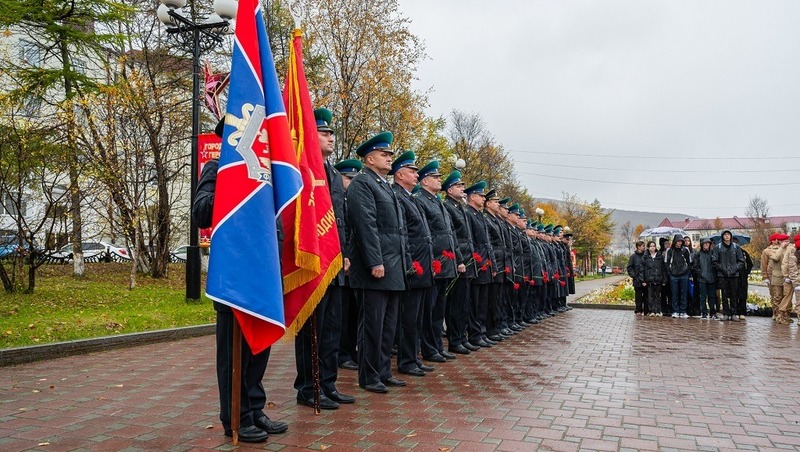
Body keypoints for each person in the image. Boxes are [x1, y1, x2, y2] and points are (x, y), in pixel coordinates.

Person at [192, 119, 287, 443]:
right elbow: (201, 213)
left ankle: (255, 409)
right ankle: (236, 416)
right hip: (234, 277)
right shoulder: (217, 169)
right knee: (234, 353)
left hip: (263, 274)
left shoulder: (264, 174)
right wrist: (231, 187)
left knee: (259, 347)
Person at [294, 108, 354, 410]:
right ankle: (308, 387)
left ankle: (327, 384)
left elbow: (340, 219)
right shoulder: (303, 167)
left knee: (331, 328)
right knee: (311, 330)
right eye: (324, 132)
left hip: (334, 260)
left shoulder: (331, 172)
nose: (330, 137)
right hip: (314, 260)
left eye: (331, 133)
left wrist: (344, 253)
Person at [346, 131, 408, 393]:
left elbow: (398, 230)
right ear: (370, 159)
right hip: (376, 267)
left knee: (388, 325)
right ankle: (369, 376)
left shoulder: (384, 186)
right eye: (384, 154)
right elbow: (366, 225)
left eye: (390, 154)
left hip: (393, 266)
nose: (389, 158)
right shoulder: (363, 183)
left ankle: (383, 371)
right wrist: (375, 261)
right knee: (372, 325)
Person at [389, 151, 436, 376]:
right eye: (412, 171)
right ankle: (406, 360)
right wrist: (410, 262)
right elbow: (404, 234)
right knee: (408, 317)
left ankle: (414, 357)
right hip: (413, 263)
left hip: (422, 263)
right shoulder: (398, 196)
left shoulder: (410, 197)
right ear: (400, 174)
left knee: (417, 316)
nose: (417, 175)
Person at [414, 161, 458, 362]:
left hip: (444, 262)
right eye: (436, 177)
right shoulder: (421, 200)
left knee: (439, 308)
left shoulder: (437, 201)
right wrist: (431, 260)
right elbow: (425, 233)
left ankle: (437, 346)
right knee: (429, 310)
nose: (440, 180)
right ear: (425, 181)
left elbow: (448, 232)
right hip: (433, 262)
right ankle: (429, 348)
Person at [441, 170, 476, 354]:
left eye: (462, 185)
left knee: (463, 303)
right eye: (458, 186)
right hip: (458, 260)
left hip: (466, 259)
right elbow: (453, 236)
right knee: (455, 304)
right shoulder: (448, 206)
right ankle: (455, 340)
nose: (462, 188)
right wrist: (459, 259)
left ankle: (461, 337)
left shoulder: (459, 207)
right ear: (449, 190)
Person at [334, 159, 362, 371]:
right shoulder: (337, 200)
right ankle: (342, 354)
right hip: (342, 264)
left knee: (353, 312)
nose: (351, 183)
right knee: (341, 314)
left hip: (355, 266)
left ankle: (351, 351)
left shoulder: (354, 201)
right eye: (347, 178)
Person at [464, 181, 496, 348]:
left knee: (483, 302)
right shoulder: (468, 214)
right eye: (481, 196)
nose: (484, 198)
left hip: (485, 263)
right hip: (476, 263)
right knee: (474, 303)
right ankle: (474, 334)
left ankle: (481, 332)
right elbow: (470, 240)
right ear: (472, 197)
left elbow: (487, 243)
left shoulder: (480, 215)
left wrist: (492, 264)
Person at [714, 230, 745, 321]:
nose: (727, 236)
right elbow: (715, 261)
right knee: (724, 294)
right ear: (722, 236)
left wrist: (734, 269)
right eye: (725, 235)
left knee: (734, 294)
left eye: (728, 234)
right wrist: (723, 269)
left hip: (734, 275)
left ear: (731, 236)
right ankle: (726, 313)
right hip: (722, 275)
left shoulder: (736, 247)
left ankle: (733, 313)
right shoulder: (718, 247)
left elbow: (741, 261)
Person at [765, 234, 793, 324]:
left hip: (787, 276)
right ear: (779, 241)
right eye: (785, 241)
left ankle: (786, 315)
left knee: (787, 297)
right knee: (777, 297)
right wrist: (781, 248)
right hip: (777, 276)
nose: (787, 243)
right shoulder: (771, 250)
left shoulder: (791, 249)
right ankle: (777, 315)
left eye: (788, 241)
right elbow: (775, 258)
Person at [665, 234, 691, 318]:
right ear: (675, 242)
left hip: (684, 274)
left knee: (684, 293)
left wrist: (687, 271)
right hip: (673, 275)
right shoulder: (670, 251)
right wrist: (670, 272)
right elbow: (667, 262)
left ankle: (683, 311)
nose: (679, 243)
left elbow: (689, 261)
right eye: (678, 241)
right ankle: (675, 311)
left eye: (681, 241)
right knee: (674, 294)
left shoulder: (685, 250)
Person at [692, 238, 718, 319]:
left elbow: (716, 264)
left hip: (711, 278)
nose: (706, 245)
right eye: (705, 243)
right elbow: (695, 266)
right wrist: (701, 273)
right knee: (703, 297)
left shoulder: (713, 253)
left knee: (712, 297)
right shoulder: (698, 254)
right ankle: (704, 312)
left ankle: (712, 312)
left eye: (708, 243)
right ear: (702, 244)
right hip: (702, 279)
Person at [643, 241, 666, 316]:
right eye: (651, 246)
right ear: (648, 247)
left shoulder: (660, 256)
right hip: (649, 280)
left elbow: (663, 268)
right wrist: (643, 280)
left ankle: (658, 311)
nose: (652, 247)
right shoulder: (645, 257)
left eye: (654, 246)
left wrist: (664, 279)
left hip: (658, 279)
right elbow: (642, 269)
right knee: (650, 296)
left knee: (658, 296)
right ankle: (652, 310)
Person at [781, 234, 800, 323]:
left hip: (794, 277)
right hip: (791, 277)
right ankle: (782, 316)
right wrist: (786, 276)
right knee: (787, 297)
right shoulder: (792, 251)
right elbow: (786, 264)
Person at [734, 237, 753, 320]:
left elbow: (750, 264)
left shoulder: (744, 253)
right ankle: (734, 311)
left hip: (742, 277)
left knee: (742, 295)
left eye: (736, 243)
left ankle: (742, 312)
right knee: (733, 295)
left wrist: (746, 272)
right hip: (733, 276)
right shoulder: (728, 253)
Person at [627, 241, 646, 315]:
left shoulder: (646, 255)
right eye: (643, 246)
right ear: (638, 247)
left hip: (645, 279)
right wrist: (634, 275)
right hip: (637, 280)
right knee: (638, 296)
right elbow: (629, 267)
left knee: (646, 296)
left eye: (644, 246)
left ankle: (646, 310)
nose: (644, 247)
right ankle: (638, 310)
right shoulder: (633, 257)